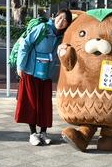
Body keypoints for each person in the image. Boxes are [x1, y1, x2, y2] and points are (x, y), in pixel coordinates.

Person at [15, 9, 72, 146]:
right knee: (31, 103)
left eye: (65, 20)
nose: (61, 21)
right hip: (30, 72)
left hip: (46, 74)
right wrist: (20, 66)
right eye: (60, 18)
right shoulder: (42, 28)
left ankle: (43, 132)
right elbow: (25, 45)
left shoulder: (63, 36)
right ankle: (33, 133)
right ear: (55, 17)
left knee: (45, 104)